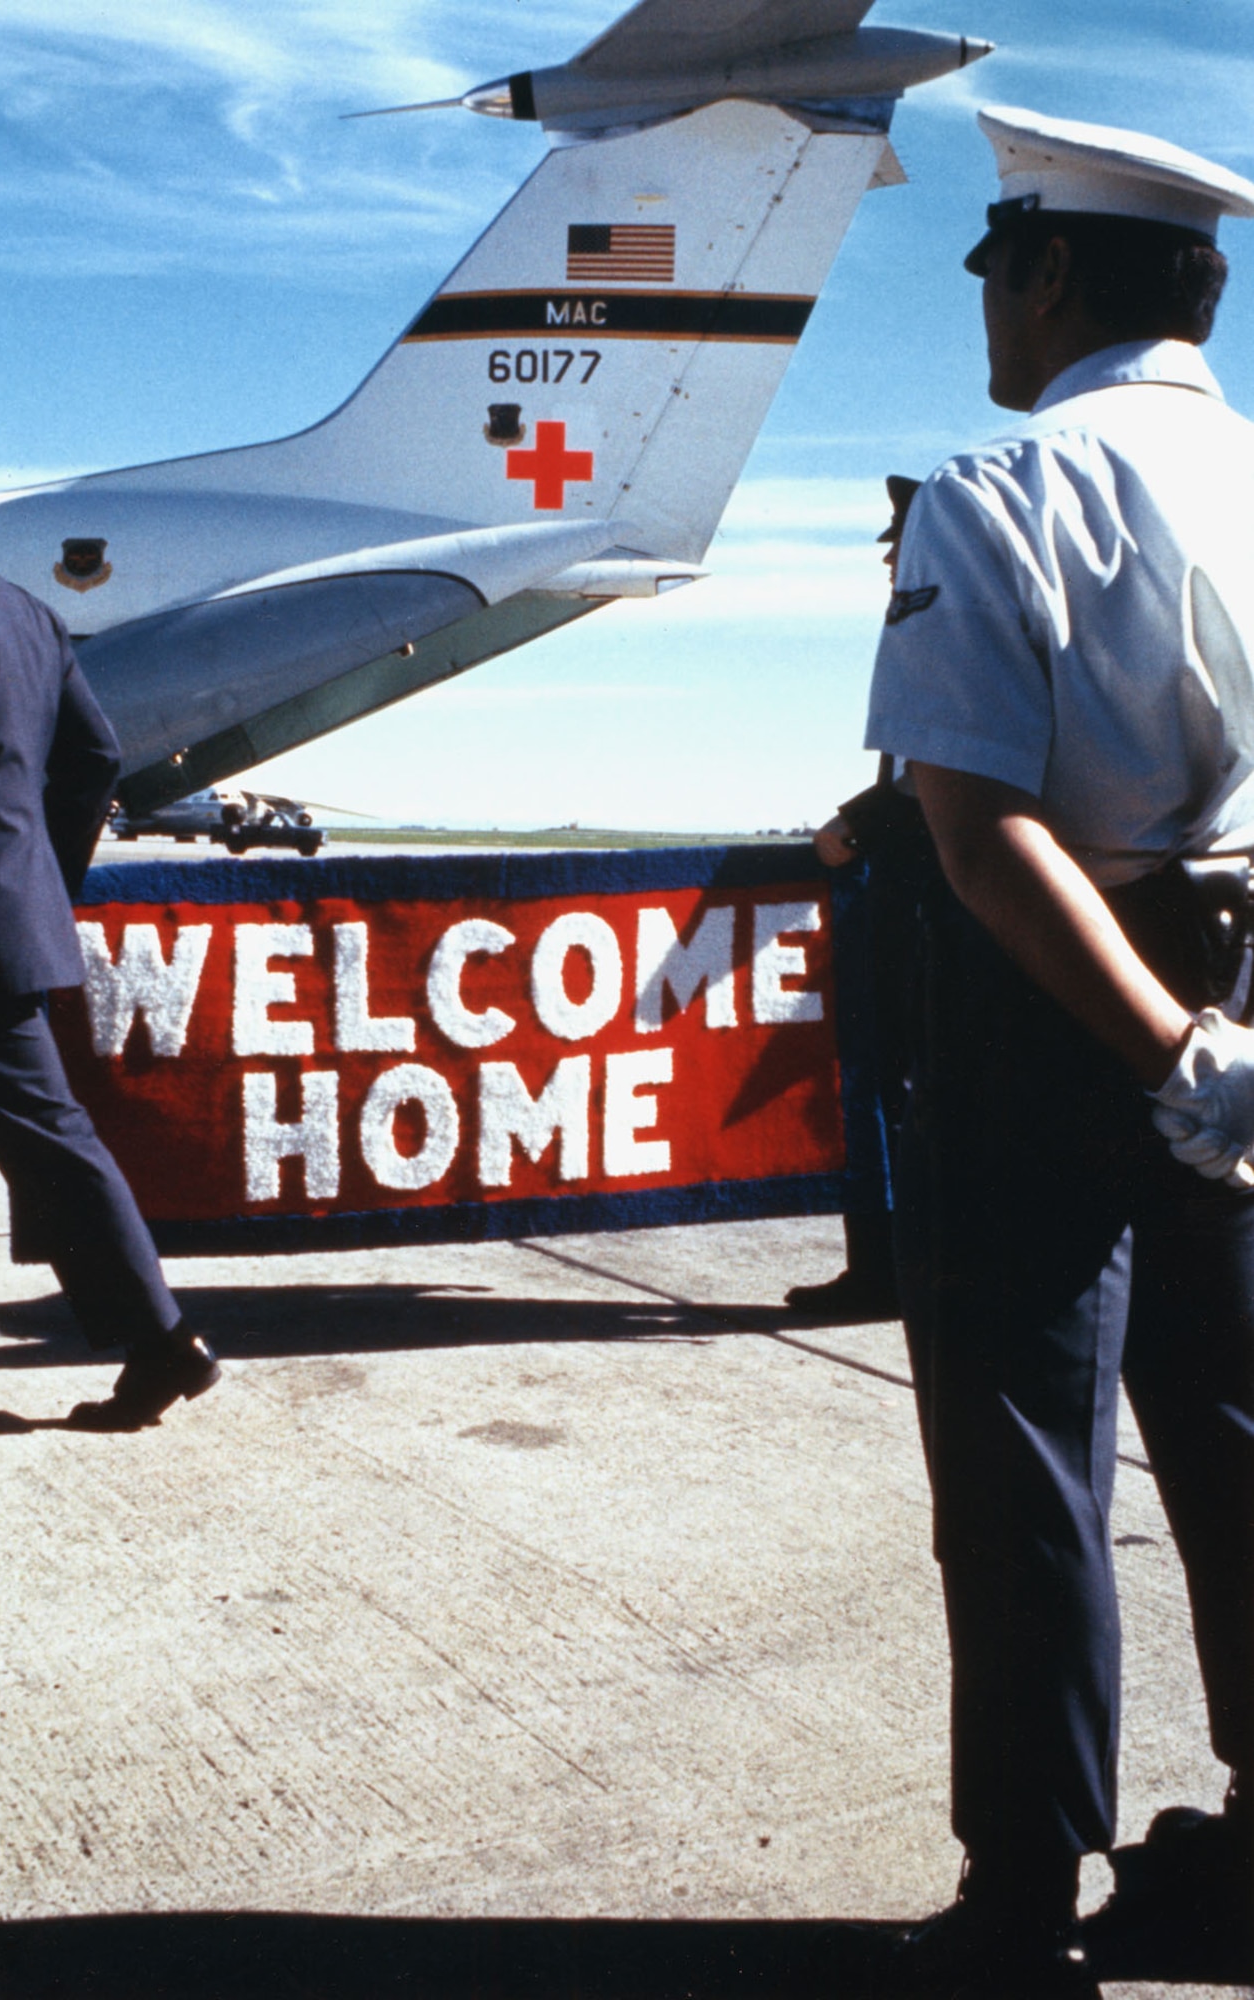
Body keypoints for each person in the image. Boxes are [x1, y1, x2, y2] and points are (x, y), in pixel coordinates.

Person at [861, 108, 1254, 1991]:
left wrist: (1167, 1044)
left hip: (1065, 1019)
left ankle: (1022, 1898)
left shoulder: (1000, 483)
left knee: (1026, 1457)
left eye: (991, 277)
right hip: (1248, 1004)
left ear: (1042, 274)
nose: (985, 322)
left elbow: (978, 829)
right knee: (1242, 1431)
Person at [0, 425, 220, 1431]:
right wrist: (35, 877)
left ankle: (164, 1339)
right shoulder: (28, 616)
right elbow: (94, 756)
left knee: (54, 1144)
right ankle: (161, 1341)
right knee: (47, 1139)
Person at [786, 476, 926, 1323]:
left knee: (884, 1085)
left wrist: (857, 820)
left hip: (929, 906)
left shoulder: (938, 628)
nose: (884, 552)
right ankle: (888, 1267)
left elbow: (928, 781)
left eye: (899, 537)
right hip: (924, 897)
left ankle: (888, 1271)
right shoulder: (924, 626)